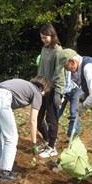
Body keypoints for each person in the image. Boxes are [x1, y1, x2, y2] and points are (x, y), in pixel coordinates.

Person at [0, 77, 50, 182]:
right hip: (1, 98)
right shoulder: (37, 92)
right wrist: (34, 143)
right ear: (42, 88)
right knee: (12, 138)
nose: (43, 95)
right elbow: (33, 120)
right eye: (44, 93)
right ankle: (5, 172)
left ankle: (1, 169)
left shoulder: (23, 85)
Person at [36, 24, 66, 158]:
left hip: (53, 89)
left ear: (52, 35)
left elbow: (60, 73)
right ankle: (46, 139)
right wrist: (37, 83)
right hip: (42, 87)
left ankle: (52, 147)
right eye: (42, 38)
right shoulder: (44, 49)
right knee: (37, 117)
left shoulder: (58, 51)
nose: (44, 40)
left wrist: (58, 93)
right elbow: (41, 69)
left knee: (51, 118)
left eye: (45, 37)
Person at [58, 70, 82, 138]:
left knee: (74, 112)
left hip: (75, 89)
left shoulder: (65, 65)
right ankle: (50, 136)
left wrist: (61, 97)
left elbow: (67, 85)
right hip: (63, 90)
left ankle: (72, 136)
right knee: (56, 112)